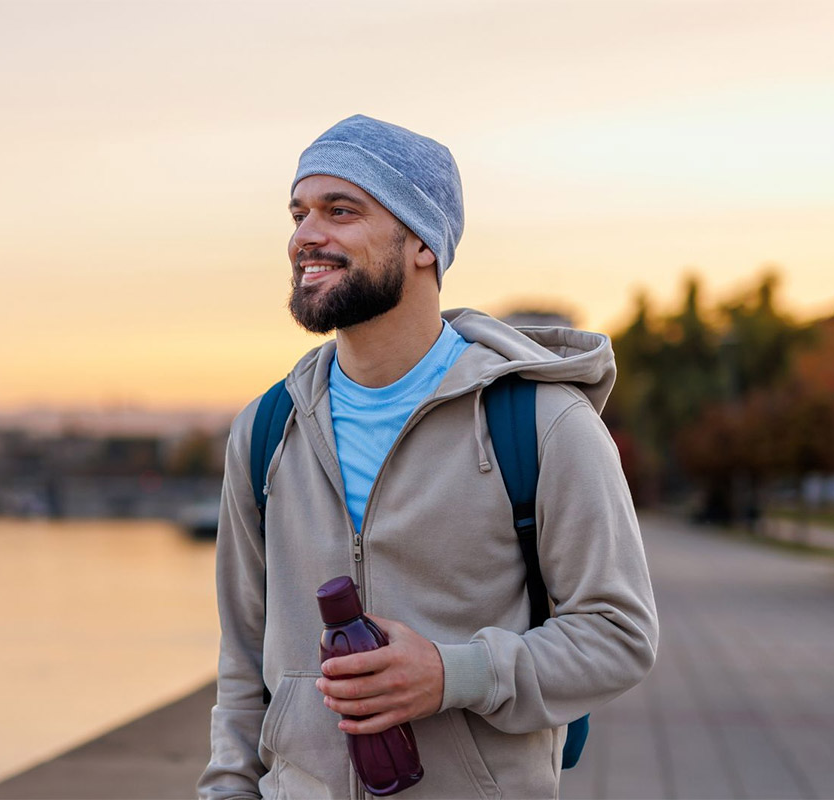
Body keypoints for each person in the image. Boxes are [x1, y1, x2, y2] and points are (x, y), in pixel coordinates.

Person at [198, 115, 658, 799]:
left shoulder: (541, 423)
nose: (304, 237)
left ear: (421, 241)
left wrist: (452, 675)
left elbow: (619, 634)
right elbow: (242, 661)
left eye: (340, 211)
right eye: (299, 214)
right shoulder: (267, 430)